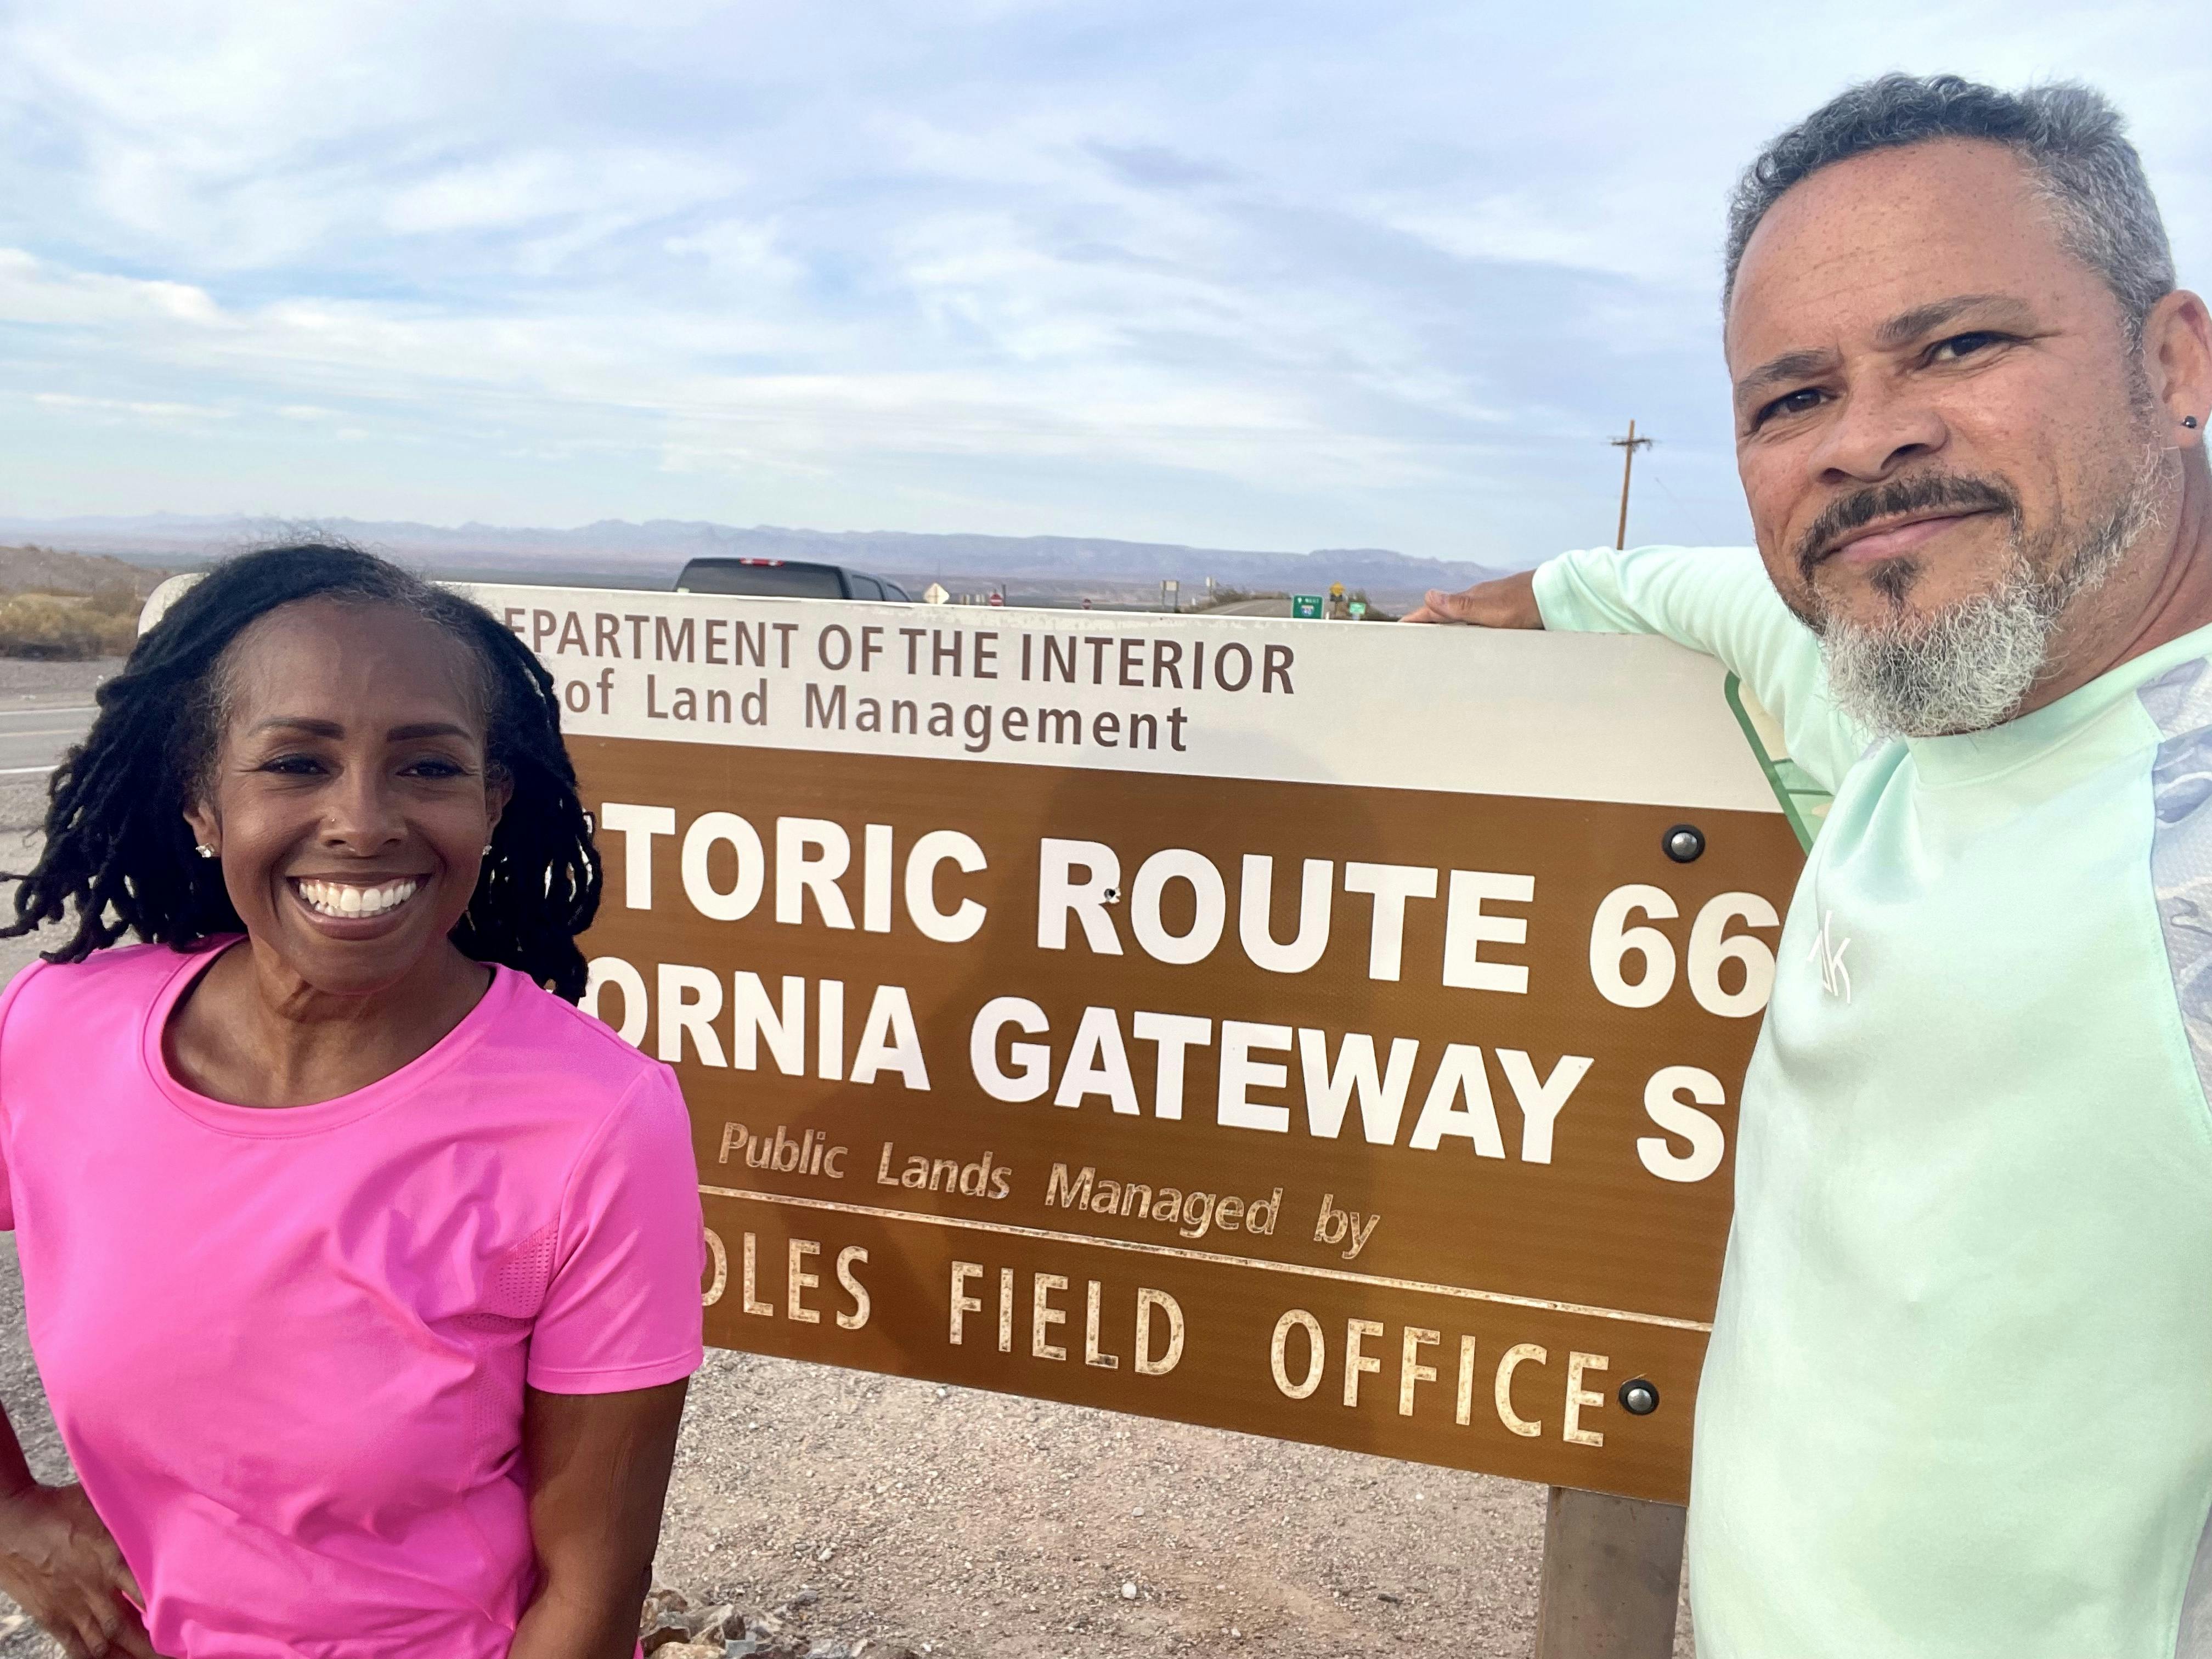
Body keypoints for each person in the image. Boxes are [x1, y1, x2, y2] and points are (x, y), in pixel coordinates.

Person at [1409, 76, 2212, 1656]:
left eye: (1961, 347)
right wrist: (1530, 598)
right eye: (1790, 402)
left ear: (2174, 360)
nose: (1867, 443)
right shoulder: (1924, 716)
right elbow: (1704, 592)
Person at [0, 545, 706, 1658]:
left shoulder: (595, 1124)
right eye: (295, 763)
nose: (365, 821)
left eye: (428, 768)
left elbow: (589, 1596)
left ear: (493, 802)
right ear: (200, 800)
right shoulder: (56, 1030)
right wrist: (12, 1512)